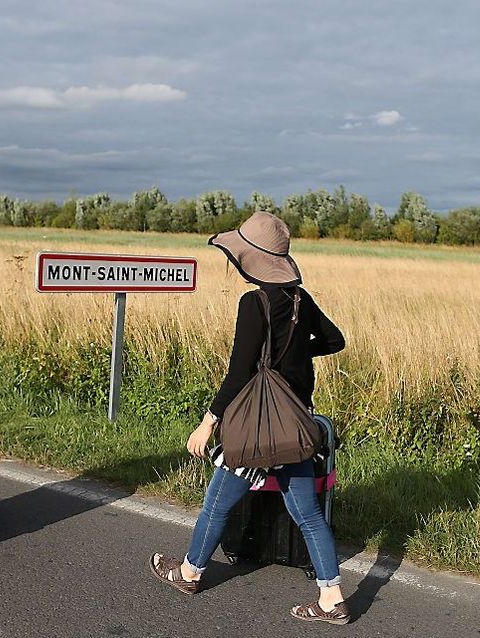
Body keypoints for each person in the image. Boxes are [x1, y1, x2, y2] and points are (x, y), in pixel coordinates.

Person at [149, 212, 349, 624]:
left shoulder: (253, 303)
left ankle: (189, 572)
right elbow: (334, 340)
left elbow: (239, 371)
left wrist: (209, 422)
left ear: (251, 259)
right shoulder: (301, 301)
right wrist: (292, 357)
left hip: (260, 426)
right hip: (295, 425)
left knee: (216, 503)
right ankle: (332, 597)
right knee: (308, 514)